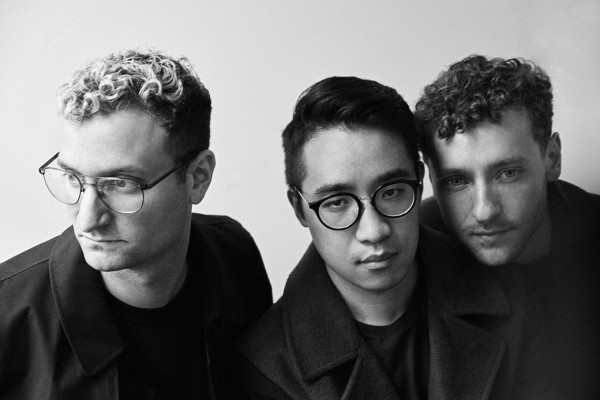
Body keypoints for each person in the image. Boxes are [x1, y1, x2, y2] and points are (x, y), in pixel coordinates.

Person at [237, 76, 544, 399]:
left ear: (420, 184)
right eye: (337, 202)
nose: (374, 231)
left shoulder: (508, 292)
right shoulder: (266, 367)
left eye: (392, 192)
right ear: (299, 209)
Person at [0, 48, 272, 399]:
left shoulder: (234, 256)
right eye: (73, 178)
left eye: (121, 184)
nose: (88, 220)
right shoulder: (6, 318)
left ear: (198, 177)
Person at [414, 54, 600, 398]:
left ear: (552, 157)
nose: (484, 211)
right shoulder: (412, 247)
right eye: (457, 181)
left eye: (508, 173)